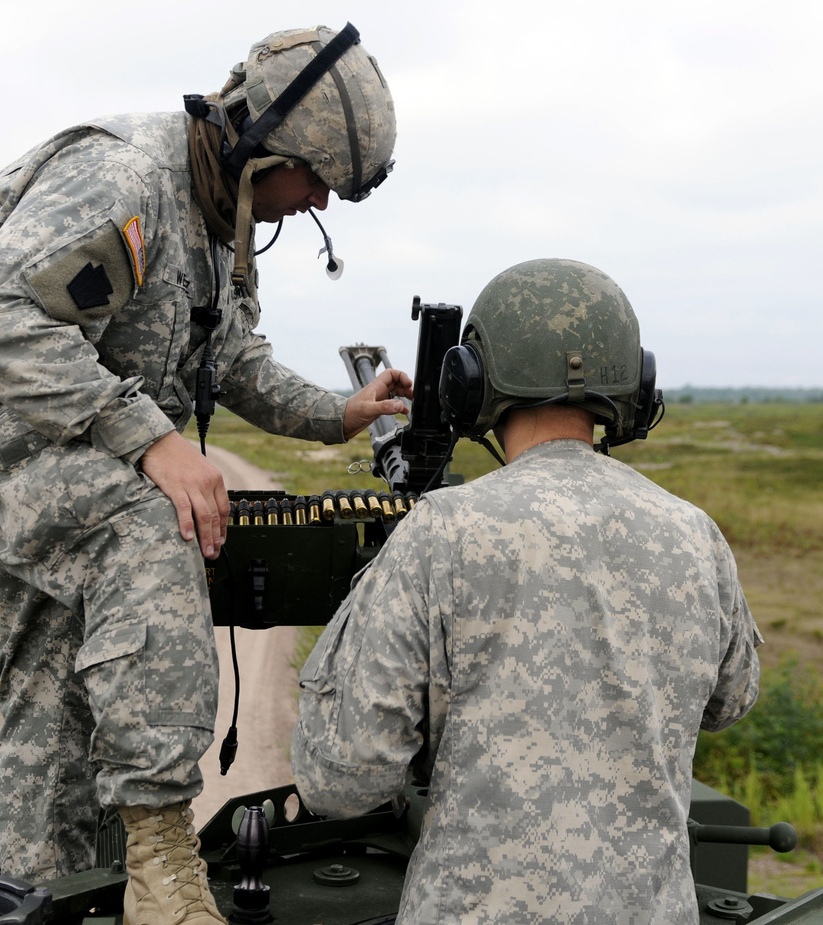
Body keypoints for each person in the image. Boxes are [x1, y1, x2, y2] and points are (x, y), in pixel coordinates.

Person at [0, 22, 409, 925]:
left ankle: (46, 899)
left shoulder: (217, 227)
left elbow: (231, 361)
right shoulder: (124, 179)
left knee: (52, 672)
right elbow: (3, 324)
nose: (314, 199)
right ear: (253, 142)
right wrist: (150, 439)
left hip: (51, 426)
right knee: (147, 522)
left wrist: (338, 411)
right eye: (312, 177)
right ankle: (163, 859)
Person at [290, 258, 763, 925]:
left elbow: (341, 777)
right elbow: (730, 699)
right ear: (634, 382)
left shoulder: (440, 534)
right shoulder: (694, 534)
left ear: (469, 381)